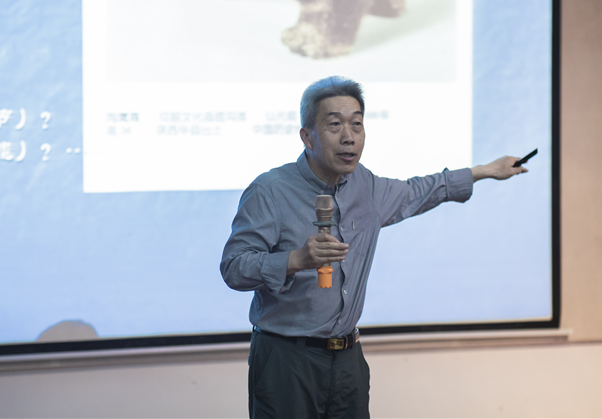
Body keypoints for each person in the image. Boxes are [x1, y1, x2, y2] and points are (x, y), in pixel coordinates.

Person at [220, 76, 527, 419]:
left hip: (347, 360)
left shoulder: (364, 185)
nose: (349, 137)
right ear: (307, 136)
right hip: (287, 360)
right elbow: (234, 267)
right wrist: (295, 259)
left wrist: (484, 171)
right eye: (334, 125)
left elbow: (417, 191)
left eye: (357, 124)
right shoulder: (270, 190)